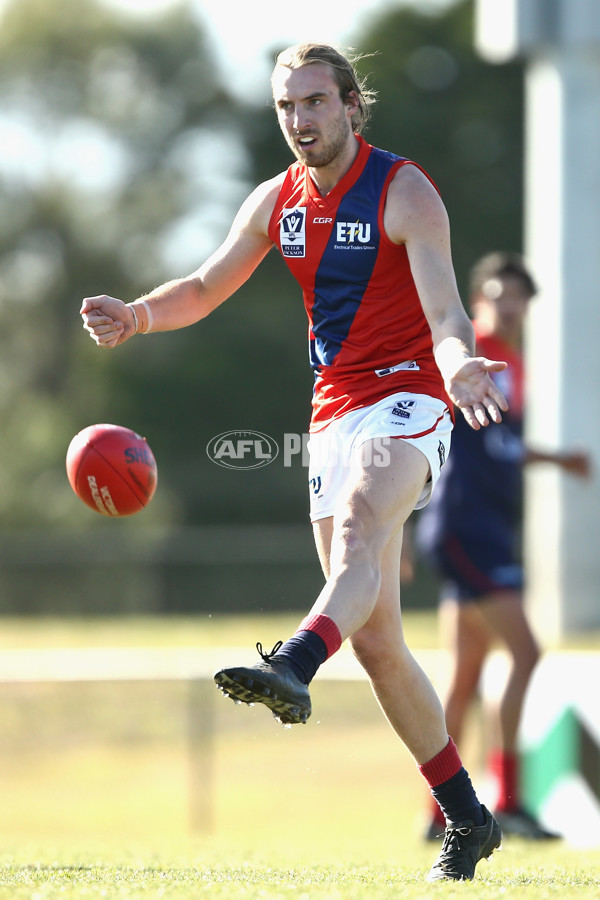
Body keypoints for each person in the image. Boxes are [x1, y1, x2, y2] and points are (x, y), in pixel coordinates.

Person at [81, 43, 509, 881]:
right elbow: (204, 288)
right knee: (380, 642)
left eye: (316, 102)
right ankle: (467, 817)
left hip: (414, 399)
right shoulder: (279, 201)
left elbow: (448, 311)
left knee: (357, 527)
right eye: (287, 108)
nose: (300, 121)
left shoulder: (404, 190)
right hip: (332, 415)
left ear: (353, 106)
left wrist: (457, 360)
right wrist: (135, 315)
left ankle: (292, 663)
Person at [415, 252, 591, 841]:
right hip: (467, 525)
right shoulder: (468, 354)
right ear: (478, 299)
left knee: (465, 675)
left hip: (485, 524)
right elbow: (421, 424)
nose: (507, 304)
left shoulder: (514, 363)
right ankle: (509, 799)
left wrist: (556, 460)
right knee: (526, 653)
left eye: (518, 295)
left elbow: (498, 446)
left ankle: (434, 815)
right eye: (496, 293)